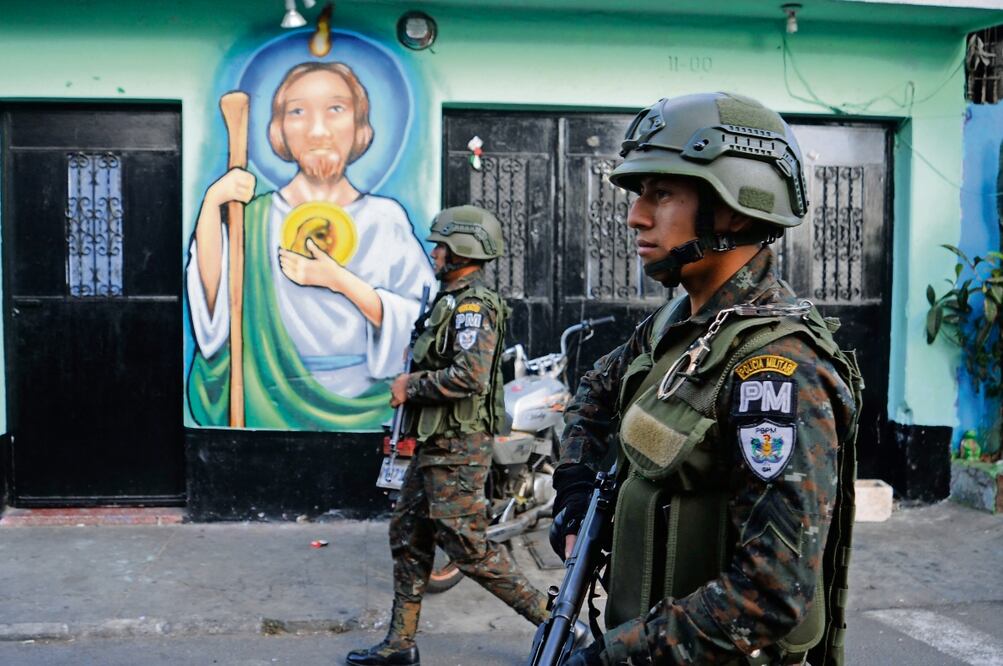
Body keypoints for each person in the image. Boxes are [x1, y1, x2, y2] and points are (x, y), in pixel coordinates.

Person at [551, 93, 862, 665]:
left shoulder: (777, 369)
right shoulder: (680, 322)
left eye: (661, 193)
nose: (635, 215)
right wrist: (573, 488)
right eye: (639, 194)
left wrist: (613, 656)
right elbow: (596, 391)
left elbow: (772, 594)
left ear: (734, 209)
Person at [346, 205, 549, 666]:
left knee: (468, 548)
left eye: (440, 245)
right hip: (437, 444)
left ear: (461, 250)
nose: (434, 253)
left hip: (460, 445)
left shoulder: (473, 305)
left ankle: (559, 623)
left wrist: (409, 385)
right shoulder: (448, 302)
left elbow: (470, 376)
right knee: (408, 533)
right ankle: (400, 644)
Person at [186, 61, 435, 430]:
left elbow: (424, 321)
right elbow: (214, 303)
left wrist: (340, 281)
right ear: (279, 130)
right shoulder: (254, 219)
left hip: (371, 404)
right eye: (298, 111)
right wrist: (211, 205)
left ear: (360, 126)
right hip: (265, 400)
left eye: (336, 109)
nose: (318, 130)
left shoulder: (386, 219)